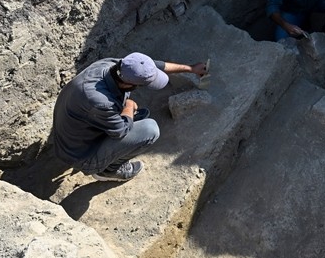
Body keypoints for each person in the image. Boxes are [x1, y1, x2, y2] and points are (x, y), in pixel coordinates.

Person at [51, 52, 209, 182]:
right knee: (149, 130)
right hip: (80, 154)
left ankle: (121, 120)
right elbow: (120, 131)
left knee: (137, 116)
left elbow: (158, 65)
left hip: (78, 129)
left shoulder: (113, 65)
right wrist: (128, 107)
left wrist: (191, 68)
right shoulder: (100, 102)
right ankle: (108, 170)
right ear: (127, 84)